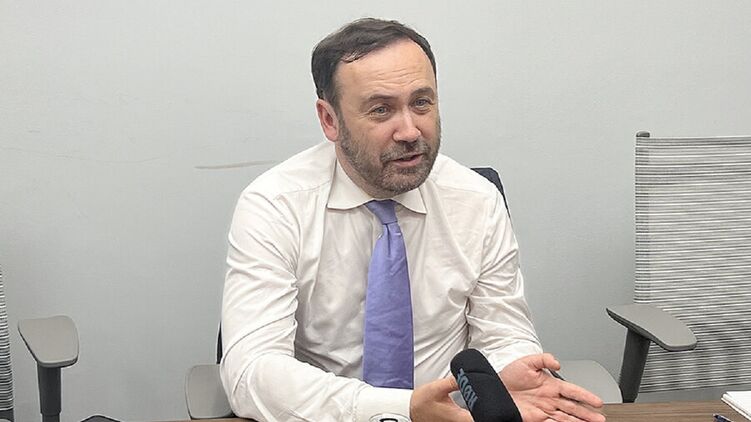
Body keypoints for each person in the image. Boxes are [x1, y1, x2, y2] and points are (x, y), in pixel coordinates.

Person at [220, 17, 605, 422]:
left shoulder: (476, 200)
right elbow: (252, 372)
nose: (409, 131)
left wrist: (504, 372)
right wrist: (402, 410)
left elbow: (503, 332)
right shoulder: (275, 206)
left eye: (421, 103)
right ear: (329, 120)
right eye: (381, 109)